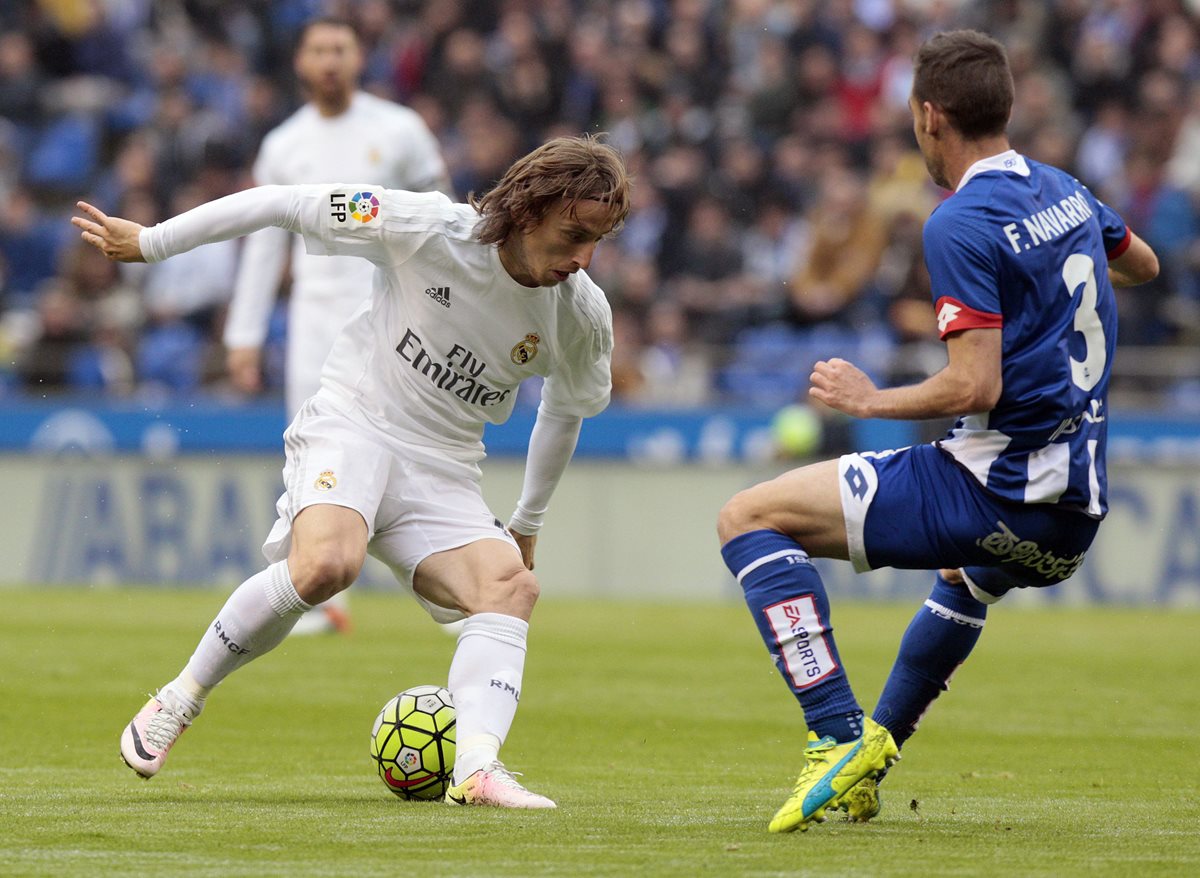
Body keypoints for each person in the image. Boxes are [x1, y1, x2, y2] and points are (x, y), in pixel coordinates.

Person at [74, 134, 630, 809]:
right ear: (529, 208)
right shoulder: (424, 225)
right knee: (327, 567)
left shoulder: (580, 313)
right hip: (354, 424)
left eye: (596, 242)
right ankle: (180, 697)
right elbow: (284, 202)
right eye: (574, 234)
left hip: (444, 469)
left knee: (511, 587)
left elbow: (566, 411)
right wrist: (155, 241)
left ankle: (477, 770)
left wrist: (526, 521)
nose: (582, 259)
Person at [716, 30, 1159, 834]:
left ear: (929, 118)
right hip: (1072, 516)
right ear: (1006, 107)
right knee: (963, 580)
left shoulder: (959, 221)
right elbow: (1145, 267)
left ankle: (835, 735)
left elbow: (975, 384)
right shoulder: (1063, 188)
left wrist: (865, 397)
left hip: (993, 490)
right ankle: (874, 750)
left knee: (748, 517)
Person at [226, 16, 452, 635]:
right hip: (314, 317)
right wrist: (243, 334)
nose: (329, 61)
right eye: (319, 50)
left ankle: (449, 585)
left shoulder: (399, 130)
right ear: (301, 63)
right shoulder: (283, 144)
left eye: (340, 49)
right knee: (309, 448)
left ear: (359, 57)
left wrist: (446, 303)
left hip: (391, 310)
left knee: (412, 443)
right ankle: (321, 600)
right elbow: (264, 244)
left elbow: (446, 217)